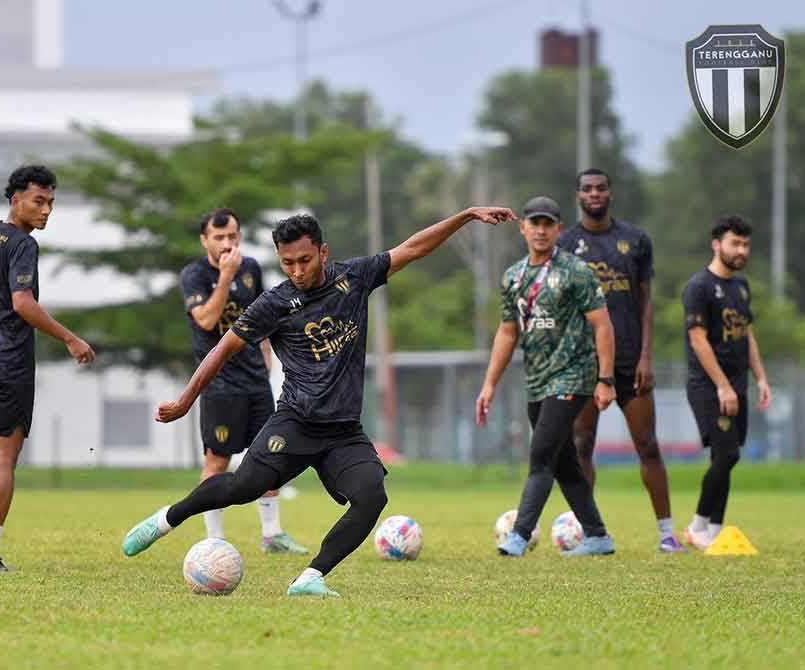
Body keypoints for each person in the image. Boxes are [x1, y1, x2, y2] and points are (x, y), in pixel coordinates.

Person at [123, 205, 516, 596]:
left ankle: (311, 577)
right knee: (243, 487)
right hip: (295, 422)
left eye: (305, 260)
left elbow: (413, 248)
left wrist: (465, 216)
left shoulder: (355, 277)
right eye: (288, 263)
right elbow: (221, 348)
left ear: (323, 253)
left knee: (371, 497)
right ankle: (165, 519)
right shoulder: (274, 304)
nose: (297, 271)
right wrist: (186, 400)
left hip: (343, 431)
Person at [0, 165, 95, 571]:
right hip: (7, 362)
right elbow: (23, 303)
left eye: (51, 202)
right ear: (15, 199)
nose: (46, 210)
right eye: (39, 201)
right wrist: (71, 338)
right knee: (5, 456)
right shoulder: (22, 244)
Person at [477, 196, 616, 557]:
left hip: (573, 376)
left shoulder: (576, 271)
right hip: (537, 381)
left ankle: (519, 536)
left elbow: (602, 325)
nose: (540, 230)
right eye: (534, 223)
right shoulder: (513, 277)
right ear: (523, 227)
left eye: (547, 224)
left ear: (558, 229)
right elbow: (508, 332)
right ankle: (598, 536)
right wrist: (489, 383)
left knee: (540, 455)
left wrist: (606, 379)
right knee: (564, 462)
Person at [558, 168, 684, 553]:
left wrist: (647, 354)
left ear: (610, 193)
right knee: (581, 446)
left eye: (601, 188)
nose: (594, 194)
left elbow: (646, 304)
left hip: (631, 359)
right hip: (585, 362)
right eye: (587, 189)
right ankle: (590, 534)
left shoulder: (635, 240)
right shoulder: (565, 244)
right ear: (578, 195)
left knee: (647, 444)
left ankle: (667, 534)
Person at [179, 208, 307, 554]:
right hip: (220, 384)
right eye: (219, 237)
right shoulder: (193, 275)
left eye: (232, 236)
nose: (227, 243)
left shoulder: (251, 268)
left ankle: (272, 534)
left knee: (271, 454)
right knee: (217, 461)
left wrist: (268, 356)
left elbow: (265, 316)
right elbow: (206, 321)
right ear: (205, 240)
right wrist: (225, 276)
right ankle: (214, 540)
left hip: (255, 381)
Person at [681, 216, 771, 550]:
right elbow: (698, 340)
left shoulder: (741, 286)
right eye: (735, 243)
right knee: (726, 452)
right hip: (708, 385)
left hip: (737, 383)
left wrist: (760, 377)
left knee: (728, 457)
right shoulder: (698, 287)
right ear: (716, 245)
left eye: (746, 244)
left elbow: (746, 334)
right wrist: (721, 385)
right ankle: (697, 526)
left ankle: (715, 530)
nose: (741, 250)